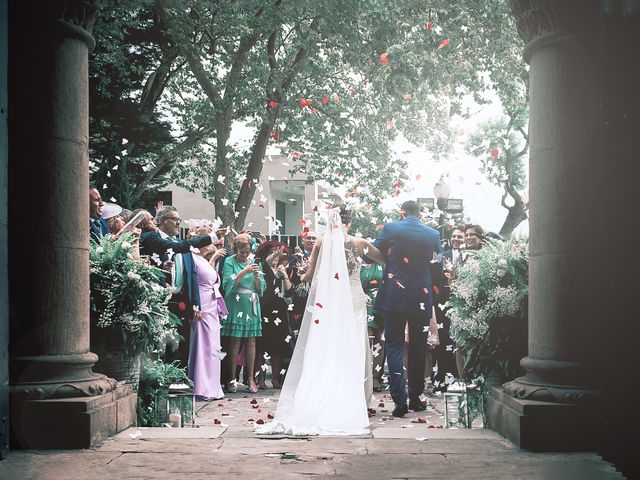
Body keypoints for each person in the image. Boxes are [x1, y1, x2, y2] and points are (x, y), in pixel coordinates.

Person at [256, 205, 384, 436]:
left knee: (328, 344)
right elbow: (384, 258)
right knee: (353, 344)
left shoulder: (321, 242)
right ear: (350, 221)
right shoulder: (360, 243)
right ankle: (354, 396)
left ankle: (325, 390)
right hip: (354, 297)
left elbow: (308, 276)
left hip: (329, 300)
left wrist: (293, 273)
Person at [372, 200, 443, 417]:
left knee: (393, 344)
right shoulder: (432, 234)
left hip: (395, 292)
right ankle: (415, 397)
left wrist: (391, 261)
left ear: (401, 212)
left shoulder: (391, 228)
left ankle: (399, 399)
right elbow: (437, 266)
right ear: (420, 213)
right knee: (418, 346)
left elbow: (371, 252)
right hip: (421, 293)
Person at [139, 206, 224, 367]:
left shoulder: (181, 243)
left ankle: (178, 379)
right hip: (158, 301)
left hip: (181, 300)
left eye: (179, 220)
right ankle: (159, 378)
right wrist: (211, 237)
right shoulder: (151, 238)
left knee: (181, 341)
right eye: (175, 219)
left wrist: (196, 304)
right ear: (163, 221)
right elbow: (175, 249)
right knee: (161, 342)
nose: (179, 223)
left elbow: (191, 276)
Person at [221, 234, 266, 393]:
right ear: (236, 249)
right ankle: (232, 378)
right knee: (234, 342)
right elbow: (227, 283)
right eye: (242, 252)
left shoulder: (254, 262)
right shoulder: (229, 261)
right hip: (235, 303)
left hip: (251, 303)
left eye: (247, 252)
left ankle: (250, 378)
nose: (245, 255)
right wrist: (245, 270)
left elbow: (261, 288)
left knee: (251, 341)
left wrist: (255, 276)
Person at [188, 226, 228, 401]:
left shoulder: (203, 260)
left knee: (213, 346)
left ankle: (212, 385)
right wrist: (196, 306)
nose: (211, 244)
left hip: (212, 306)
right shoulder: (192, 259)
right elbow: (193, 282)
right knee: (204, 345)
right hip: (203, 305)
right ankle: (201, 386)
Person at [254, 240, 292, 390]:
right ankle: (260, 378)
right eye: (272, 252)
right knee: (261, 347)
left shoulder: (282, 270)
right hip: (265, 308)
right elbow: (267, 262)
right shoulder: (263, 267)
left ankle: (276, 378)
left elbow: (289, 291)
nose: (276, 256)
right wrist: (276, 252)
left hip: (280, 310)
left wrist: (285, 275)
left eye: (278, 253)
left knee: (277, 347)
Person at [360, 257, 385, 392]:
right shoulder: (357, 264)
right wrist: (361, 295)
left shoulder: (381, 264)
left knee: (379, 339)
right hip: (361, 302)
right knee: (367, 336)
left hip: (380, 302)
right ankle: (364, 375)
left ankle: (376, 376)